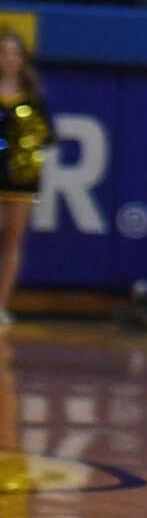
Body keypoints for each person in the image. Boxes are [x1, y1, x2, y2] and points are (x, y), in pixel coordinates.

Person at [0, 33, 43, 324]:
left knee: (13, 241)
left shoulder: (33, 96)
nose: (9, 58)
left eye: (14, 53)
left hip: (20, 178)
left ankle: (1, 304)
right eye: (3, 53)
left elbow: (46, 135)